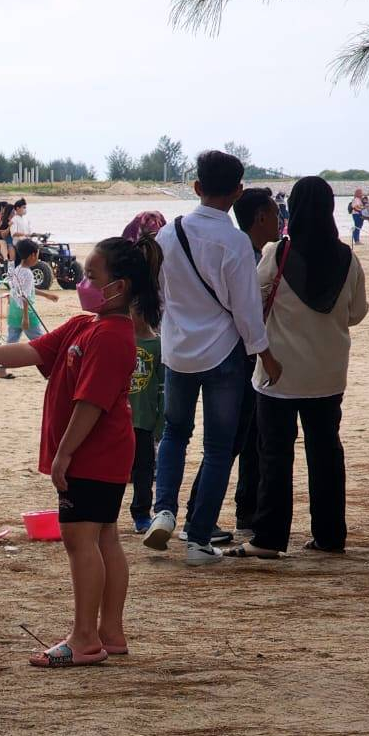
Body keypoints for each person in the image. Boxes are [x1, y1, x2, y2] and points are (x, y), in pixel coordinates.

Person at [0, 236, 164, 667]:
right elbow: (31, 350)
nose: (83, 282)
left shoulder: (114, 336)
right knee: (103, 536)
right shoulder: (84, 326)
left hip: (97, 454)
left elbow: (91, 403)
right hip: (100, 453)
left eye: (91, 276)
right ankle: (110, 634)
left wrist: (63, 455)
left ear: (118, 287)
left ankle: (84, 640)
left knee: (82, 540)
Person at [142, 150, 282, 566]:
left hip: (178, 352)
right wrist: (264, 353)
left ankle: (162, 511)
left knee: (173, 434)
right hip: (222, 354)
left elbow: (161, 297)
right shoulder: (235, 241)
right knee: (219, 448)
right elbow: (245, 307)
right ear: (238, 191)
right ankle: (199, 539)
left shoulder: (168, 235)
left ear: (197, 187)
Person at [228, 177, 367, 559]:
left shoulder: (276, 254)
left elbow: (251, 304)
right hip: (328, 372)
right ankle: (329, 535)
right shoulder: (347, 258)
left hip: (279, 375)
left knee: (275, 454)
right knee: (326, 453)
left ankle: (270, 537)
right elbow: (356, 313)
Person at [180, 187, 280, 543]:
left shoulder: (250, 252)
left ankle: (237, 514)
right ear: (261, 218)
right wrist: (264, 353)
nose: (280, 219)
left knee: (241, 439)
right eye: (275, 212)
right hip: (236, 358)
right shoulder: (246, 255)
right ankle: (197, 518)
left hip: (228, 354)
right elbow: (246, 313)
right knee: (228, 442)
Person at [0, 238, 59, 379]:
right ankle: (52, 371)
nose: (38, 258)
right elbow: (25, 296)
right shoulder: (28, 274)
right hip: (25, 312)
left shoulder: (17, 270)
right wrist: (25, 317)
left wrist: (46, 295)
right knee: (43, 343)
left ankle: (1, 370)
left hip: (13, 310)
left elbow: (25, 290)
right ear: (32, 255)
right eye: (37, 254)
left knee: (11, 343)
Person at [129, 304, 163, 533]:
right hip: (119, 420)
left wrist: (159, 423)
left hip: (144, 419)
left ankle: (141, 513)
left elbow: (162, 387)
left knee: (144, 469)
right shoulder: (120, 341)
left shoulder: (158, 345)